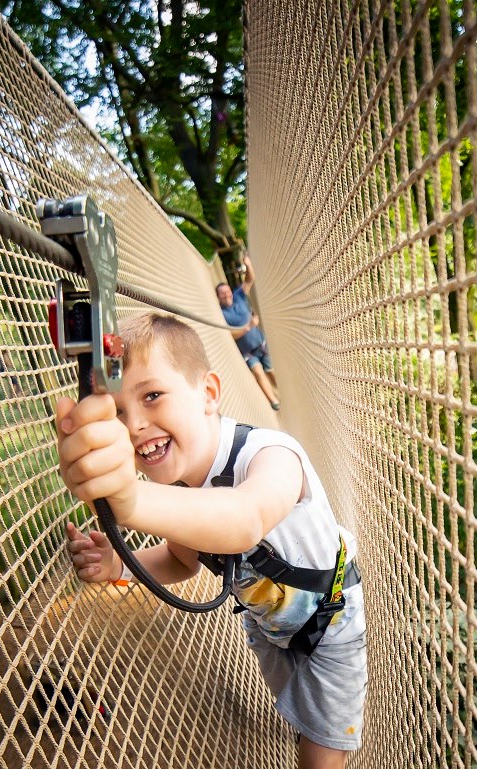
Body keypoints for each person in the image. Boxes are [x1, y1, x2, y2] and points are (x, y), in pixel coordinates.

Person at [54, 312, 367, 768]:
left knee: (321, 748)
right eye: (119, 412)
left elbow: (244, 518)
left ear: (208, 393)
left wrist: (131, 498)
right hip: (268, 629)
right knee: (297, 707)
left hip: (332, 625)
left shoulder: (271, 453)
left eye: (153, 396)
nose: (135, 424)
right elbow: (182, 561)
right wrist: (119, 564)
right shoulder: (180, 485)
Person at [218, 254, 281, 410]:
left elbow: (249, 280)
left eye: (228, 292)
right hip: (247, 352)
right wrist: (248, 326)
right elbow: (228, 335)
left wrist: (248, 264)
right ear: (218, 297)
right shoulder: (220, 313)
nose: (227, 295)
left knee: (271, 371)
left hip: (260, 343)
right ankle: (274, 402)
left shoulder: (239, 296)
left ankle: (280, 393)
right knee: (259, 373)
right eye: (222, 294)